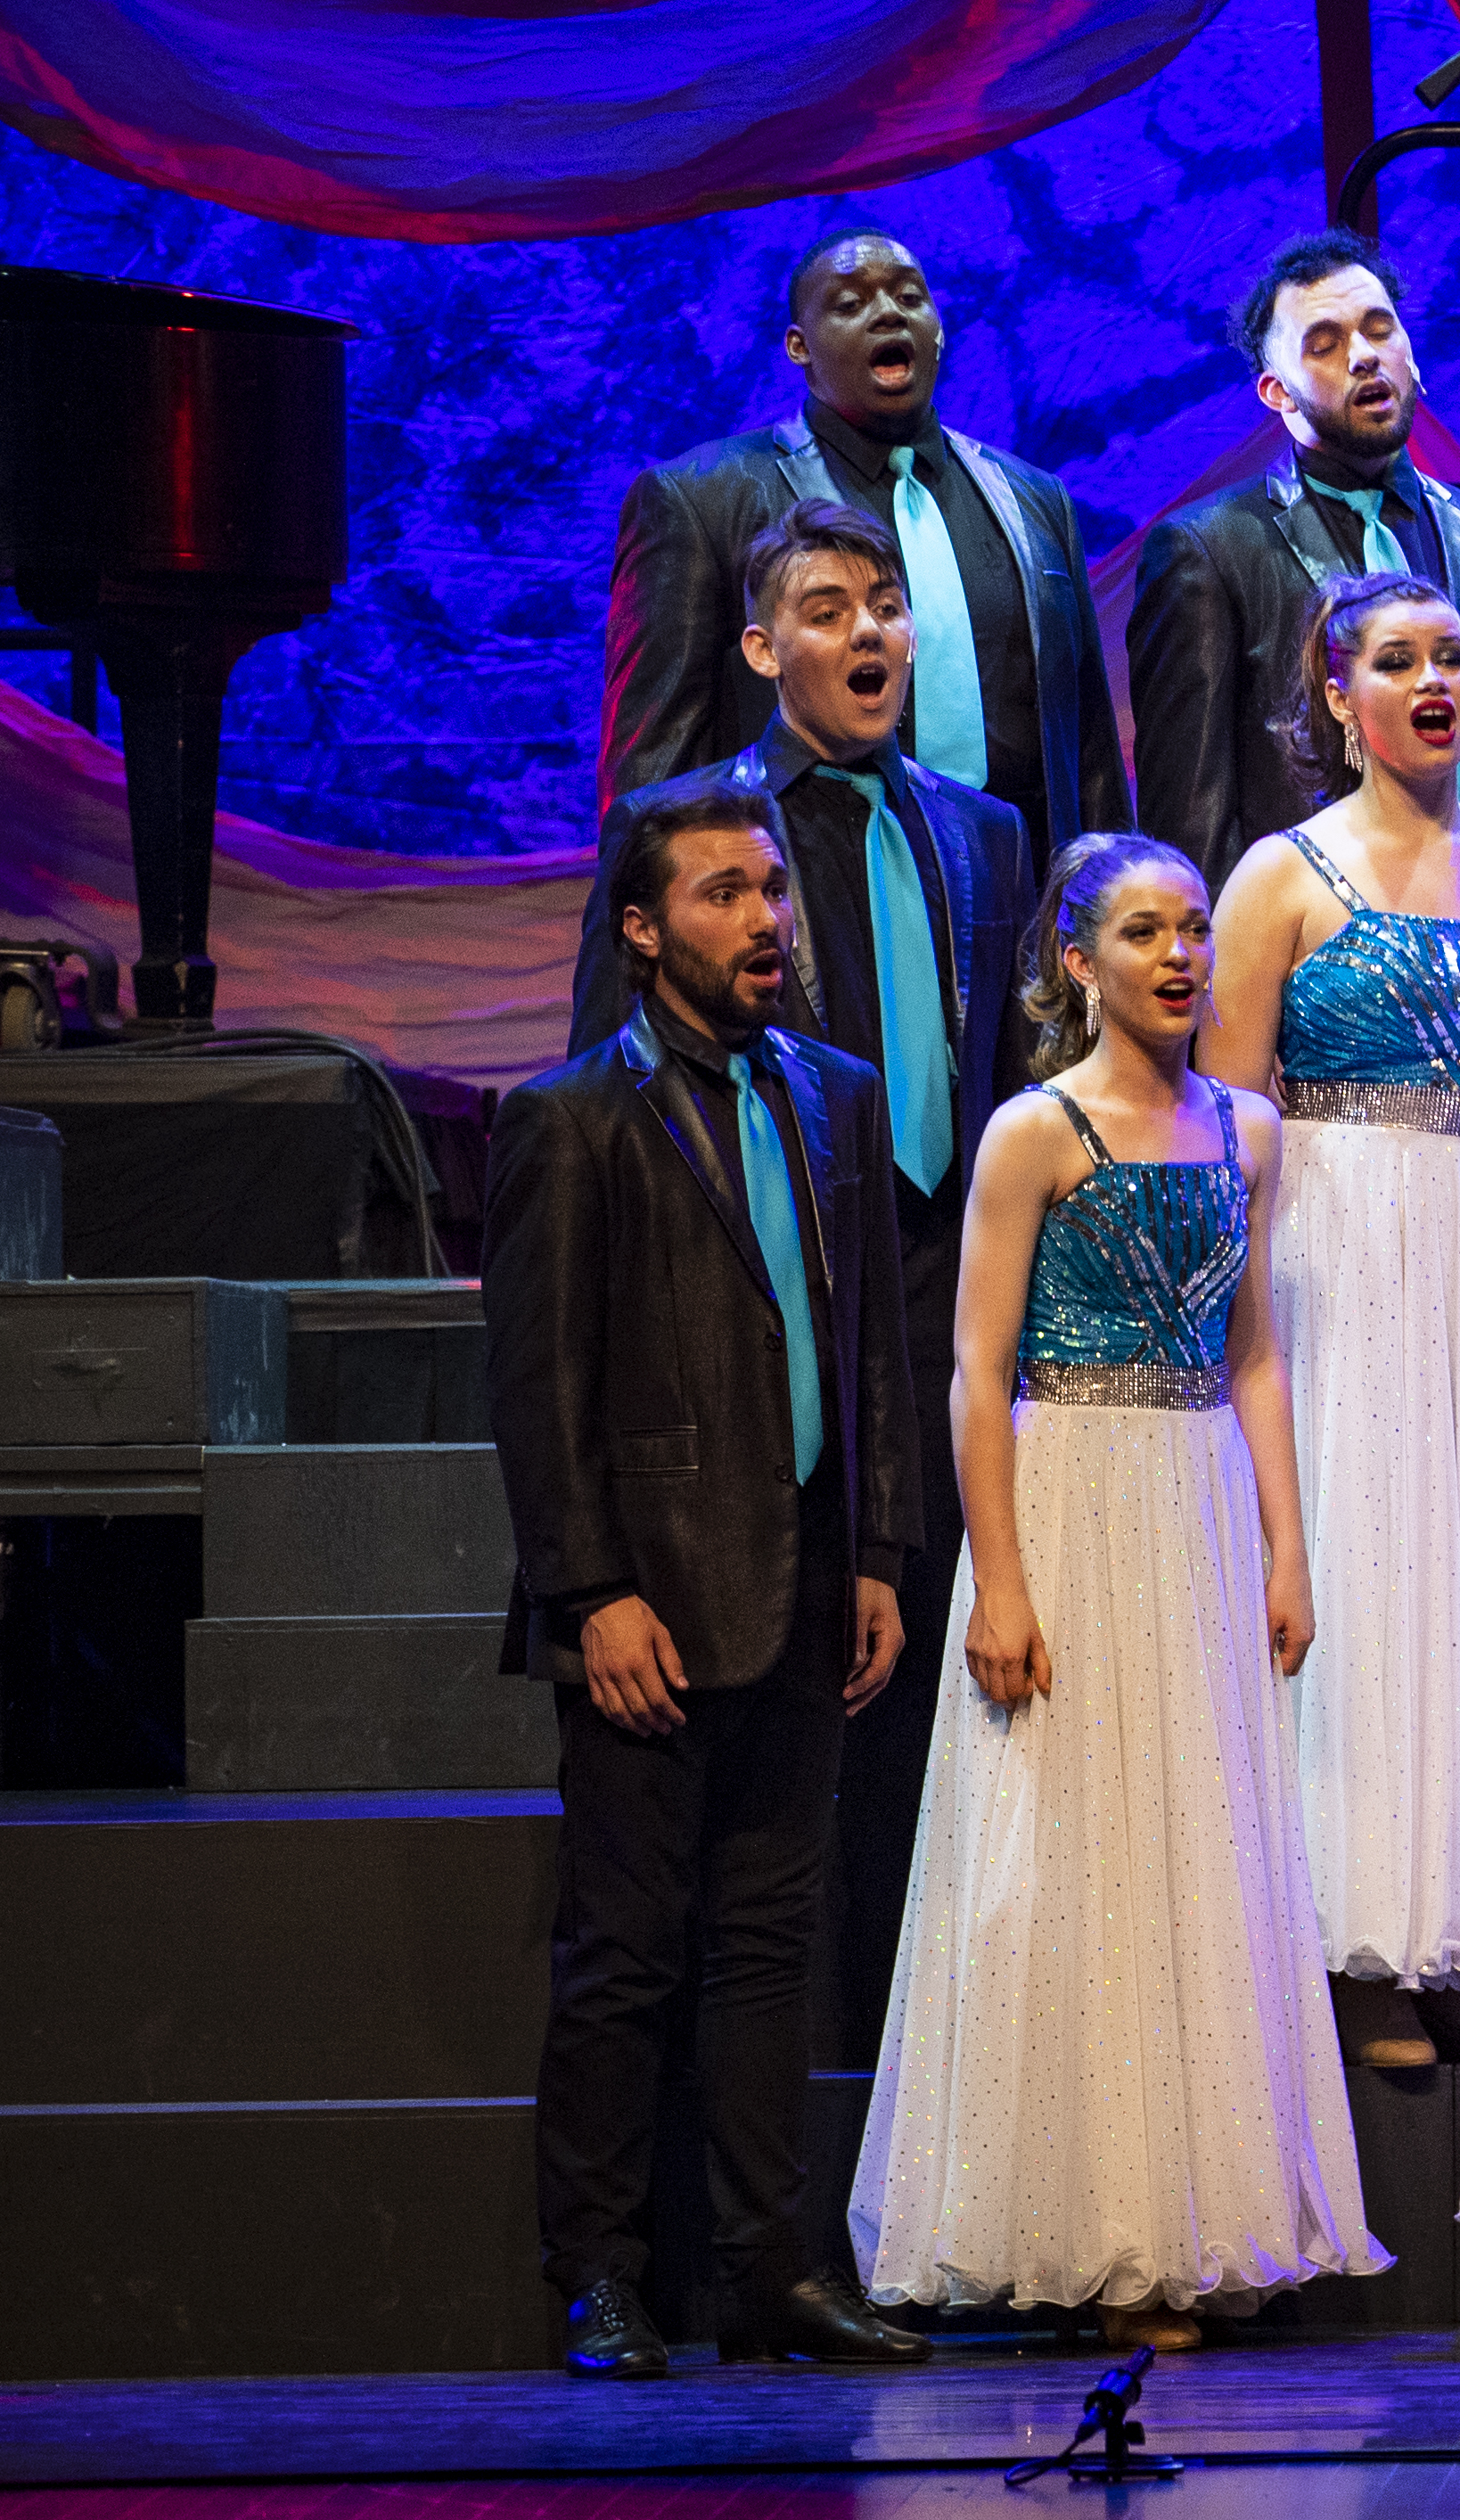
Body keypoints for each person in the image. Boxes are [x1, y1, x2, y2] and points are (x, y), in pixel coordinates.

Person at [852, 834, 1385, 2345]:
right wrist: (1000, 1581)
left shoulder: (1248, 1131)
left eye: (1194, 928)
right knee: (1070, 1841)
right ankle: (1085, 2226)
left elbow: (1258, 1353)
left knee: (1193, 1839)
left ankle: (1189, 2215)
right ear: (1074, 962)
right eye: (1142, 931)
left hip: (1196, 1493)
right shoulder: (1038, 1131)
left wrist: (1286, 1545)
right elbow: (973, 1367)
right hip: (1071, 1486)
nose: (1177, 955)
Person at [565, 501, 1036, 2065]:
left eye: (888, 607)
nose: (869, 635)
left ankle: (920, 2080)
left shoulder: (979, 831)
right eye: (828, 609)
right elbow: (608, 1107)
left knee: (920, 1710)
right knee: (764, 1766)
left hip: (942, 1295)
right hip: (768, 1303)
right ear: (765, 648)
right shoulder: (696, 830)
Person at [486, 786, 930, 2377]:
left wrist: (874, 1554)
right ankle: (598, 2273)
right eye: (726, 894)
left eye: (772, 891)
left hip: (803, 1591)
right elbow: (540, 1391)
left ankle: (765, 2267)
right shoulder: (572, 1118)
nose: (765, 920)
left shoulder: (835, 1095)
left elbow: (871, 1347)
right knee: (624, 1954)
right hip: (652, 1608)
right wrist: (589, 1590)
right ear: (643, 925)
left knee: (766, 1951)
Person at [1201, 570, 1460, 2071]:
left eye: (1451, 657)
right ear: (1338, 697)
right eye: (1396, 660)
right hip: (1339, 1242)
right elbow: (1226, 1120)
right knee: (1370, 1560)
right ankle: (1354, 1941)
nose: (1433, 680)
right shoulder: (1281, 877)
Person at [603, 231, 1124, 869]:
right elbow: (656, 764)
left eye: (909, 297)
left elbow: (1090, 745)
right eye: (850, 304)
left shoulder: (1034, 499)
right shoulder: (702, 500)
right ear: (800, 347)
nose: (888, 313)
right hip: (812, 898)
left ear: (937, 331)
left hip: (1024, 889)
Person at [1131, 231, 1460, 897]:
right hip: (1310, 958)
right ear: (1275, 391)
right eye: (1325, 343)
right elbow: (1191, 817)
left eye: (1380, 330)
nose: (1365, 357)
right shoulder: (1208, 551)